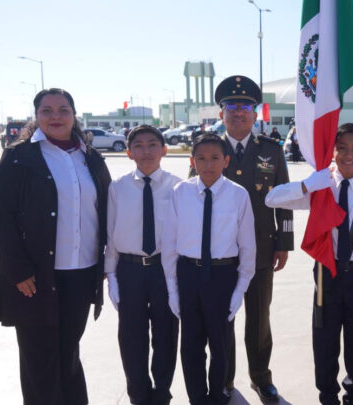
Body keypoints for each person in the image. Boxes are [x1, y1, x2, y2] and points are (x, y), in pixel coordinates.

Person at [0, 88, 112, 405]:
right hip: (35, 278)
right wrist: (18, 270)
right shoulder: (18, 158)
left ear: (74, 115)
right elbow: (1, 217)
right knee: (39, 360)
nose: (56, 116)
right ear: (36, 116)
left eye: (63, 109)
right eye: (47, 110)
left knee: (68, 354)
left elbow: (108, 210)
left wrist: (107, 261)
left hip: (81, 274)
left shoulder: (91, 159)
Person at [266, 123, 353, 405]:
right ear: (332, 152)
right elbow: (271, 198)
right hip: (327, 275)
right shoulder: (322, 186)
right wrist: (308, 184)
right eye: (341, 148)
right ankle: (327, 395)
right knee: (325, 339)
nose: (348, 155)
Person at [191, 75, 293, 402]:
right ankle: (224, 378)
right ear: (221, 113)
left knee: (259, 320)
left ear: (255, 112)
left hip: (262, 250)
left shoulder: (271, 151)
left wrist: (284, 244)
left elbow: (285, 199)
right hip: (221, 255)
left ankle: (261, 377)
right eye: (231, 107)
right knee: (223, 321)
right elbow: (194, 201)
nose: (238, 113)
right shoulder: (208, 150)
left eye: (245, 107)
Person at [162, 134, 256, 404]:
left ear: (226, 160)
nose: (208, 164)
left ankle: (218, 394)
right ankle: (197, 397)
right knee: (191, 344)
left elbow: (247, 247)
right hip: (189, 274)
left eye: (215, 158)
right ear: (192, 161)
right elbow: (169, 242)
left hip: (222, 276)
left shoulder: (238, 195)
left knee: (220, 343)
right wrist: (172, 289)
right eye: (201, 158)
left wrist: (240, 290)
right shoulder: (181, 192)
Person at [105, 124, 180, 405]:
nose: (145, 151)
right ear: (128, 152)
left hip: (165, 268)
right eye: (138, 145)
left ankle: (162, 392)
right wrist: (111, 274)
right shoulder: (118, 187)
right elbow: (111, 232)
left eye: (152, 144)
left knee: (166, 333)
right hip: (130, 268)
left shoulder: (178, 186)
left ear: (164, 150)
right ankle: (138, 393)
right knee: (131, 335)